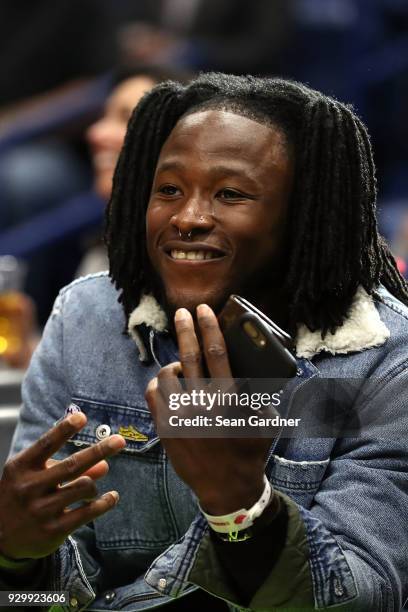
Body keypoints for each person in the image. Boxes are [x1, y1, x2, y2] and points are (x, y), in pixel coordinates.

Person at [1, 73, 408, 610]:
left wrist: (240, 508)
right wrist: (17, 560)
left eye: (230, 194)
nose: (188, 217)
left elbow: (368, 597)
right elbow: (38, 603)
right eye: (168, 189)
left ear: (303, 216)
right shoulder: (88, 317)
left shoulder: (388, 363)